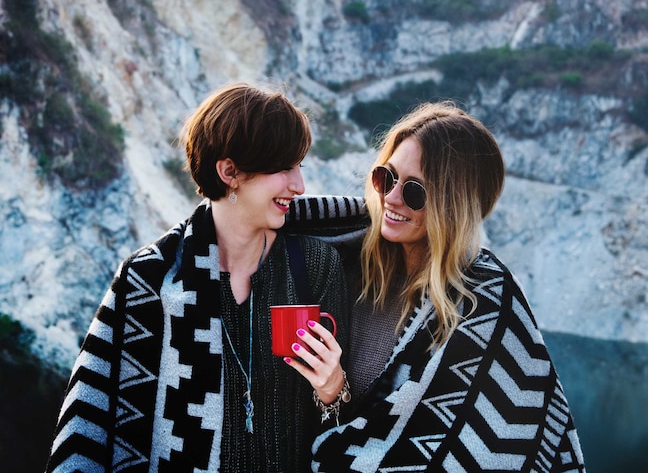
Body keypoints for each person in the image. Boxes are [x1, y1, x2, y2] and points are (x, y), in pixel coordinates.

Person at [44, 82, 350, 473]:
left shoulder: (314, 265)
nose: (299, 186)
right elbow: (94, 423)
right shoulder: (149, 280)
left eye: (299, 167)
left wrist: (332, 389)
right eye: (283, 168)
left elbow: (344, 429)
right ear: (229, 172)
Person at [283, 101, 587, 472]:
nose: (392, 198)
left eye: (415, 192)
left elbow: (516, 448)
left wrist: (334, 391)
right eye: (386, 177)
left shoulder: (487, 309)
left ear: (452, 205)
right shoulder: (342, 263)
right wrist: (332, 393)